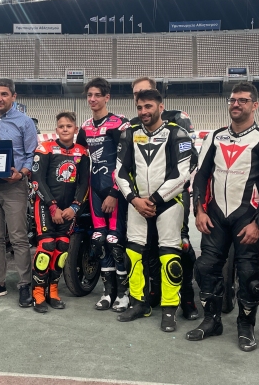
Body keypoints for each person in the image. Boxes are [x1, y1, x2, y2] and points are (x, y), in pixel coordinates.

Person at [188, 83, 259, 351]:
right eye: (232, 100)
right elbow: (200, 177)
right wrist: (199, 210)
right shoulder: (214, 137)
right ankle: (212, 321)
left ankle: (246, 326)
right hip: (215, 217)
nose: (236, 104)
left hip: (248, 219)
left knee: (249, 275)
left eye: (243, 100)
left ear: (255, 105)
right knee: (205, 268)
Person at [114, 89, 193, 331]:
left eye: (148, 106)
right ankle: (139, 303)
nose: (143, 112)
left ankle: (169, 309)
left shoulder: (177, 133)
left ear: (160, 107)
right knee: (133, 253)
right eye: (139, 107)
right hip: (137, 203)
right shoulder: (129, 134)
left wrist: (155, 199)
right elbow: (120, 172)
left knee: (169, 256)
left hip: (169, 203)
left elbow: (183, 174)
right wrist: (134, 199)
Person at [130, 77, 200, 320]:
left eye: (145, 92)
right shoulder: (133, 125)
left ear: (157, 96)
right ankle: (154, 292)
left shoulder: (179, 118)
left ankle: (187, 297)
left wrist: (161, 196)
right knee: (147, 248)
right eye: (136, 94)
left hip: (174, 196)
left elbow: (190, 160)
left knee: (181, 244)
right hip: (142, 200)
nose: (140, 97)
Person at [0, 78, 38, 307]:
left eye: (4, 94)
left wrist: (21, 174)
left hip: (14, 186)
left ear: (13, 96)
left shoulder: (25, 122)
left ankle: (24, 284)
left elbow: (32, 155)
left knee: (18, 237)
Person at [76, 78, 130, 312]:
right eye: (89, 95)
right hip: (95, 190)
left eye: (97, 95)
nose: (93, 99)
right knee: (99, 239)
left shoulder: (119, 124)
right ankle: (108, 292)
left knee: (115, 242)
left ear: (107, 97)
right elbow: (79, 158)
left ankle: (124, 294)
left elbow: (126, 161)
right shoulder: (85, 127)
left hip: (115, 191)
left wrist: (115, 192)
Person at [30, 112, 90, 313]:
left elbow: (84, 183)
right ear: (56, 129)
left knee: (62, 247)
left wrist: (75, 208)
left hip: (69, 210)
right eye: (61, 126)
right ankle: (38, 292)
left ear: (75, 129)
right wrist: (53, 206)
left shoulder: (82, 152)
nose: (65, 129)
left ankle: (53, 290)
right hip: (46, 206)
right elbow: (37, 180)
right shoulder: (44, 148)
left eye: (69, 126)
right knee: (47, 246)